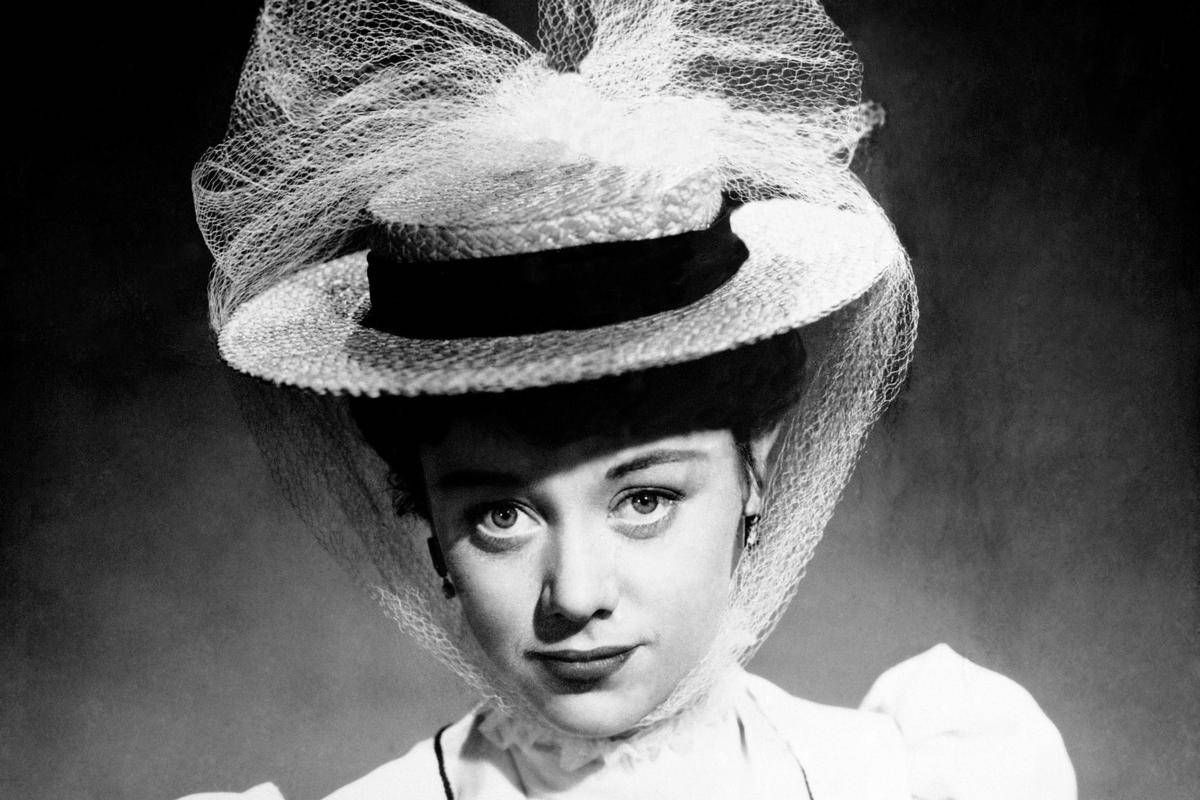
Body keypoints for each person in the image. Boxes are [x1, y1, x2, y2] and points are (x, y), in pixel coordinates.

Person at [185, 0, 1077, 797]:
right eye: (499, 516)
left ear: (757, 470)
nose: (575, 596)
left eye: (645, 499)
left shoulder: (912, 781)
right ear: (425, 518)